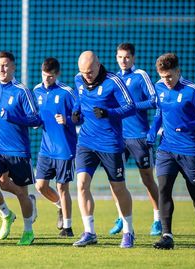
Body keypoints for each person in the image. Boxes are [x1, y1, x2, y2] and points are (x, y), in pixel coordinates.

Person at [148, 53, 195, 249]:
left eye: (169, 76)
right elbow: (160, 111)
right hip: (166, 149)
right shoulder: (159, 87)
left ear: (178, 71)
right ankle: (167, 236)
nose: (166, 80)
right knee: (163, 189)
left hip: (190, 150)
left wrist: (190, 125)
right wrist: (153, 130)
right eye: (162, 76)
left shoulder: (192, 90)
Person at [72, 51, 136, 248]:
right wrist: (76, 113)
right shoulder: (78, 79)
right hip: (86, 142)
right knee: (81, 185)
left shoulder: (113, 81)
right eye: (83, 72)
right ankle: (89, 232)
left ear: (98, 65)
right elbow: (79, 101)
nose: (86, 76)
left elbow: (131, 107)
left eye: (89, 71)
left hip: (110, 143)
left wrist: (110, 113)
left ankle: (128, 231)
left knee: (118, 188)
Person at [0, 51, 40, 246]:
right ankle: (6, 214)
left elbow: (35, 119)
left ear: (13, 67)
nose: (1, 69)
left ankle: (28, 231)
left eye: (5, 66)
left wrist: (13, 117)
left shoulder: (21, 91)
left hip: (18, 151)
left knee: (22, 193)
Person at [109, 42, 161, 236]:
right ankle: (121, 217)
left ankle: (158, 219)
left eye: (127, 57)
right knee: (116, 180)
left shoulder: (141, 76)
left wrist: (131, 106)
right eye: (120, 57)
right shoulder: (113, 79)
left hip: (139, 136)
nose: (124, 60)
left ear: (133, 58)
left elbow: (155, 101)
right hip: (118, 138)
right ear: (116, 58)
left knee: (147, 179)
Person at [33, 57, 77, 237]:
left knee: (62, 187)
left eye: (50, 76)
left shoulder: (67, 92)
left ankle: (68, 227)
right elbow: (34, 114)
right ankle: (60, 206)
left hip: (65, 148)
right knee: (40, 186)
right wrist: (34, 121)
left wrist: (67, 120)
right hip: (46, 148)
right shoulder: (36, 91)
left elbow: (80, 116)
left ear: (57, 74)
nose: (46, 79)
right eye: (44, 75)